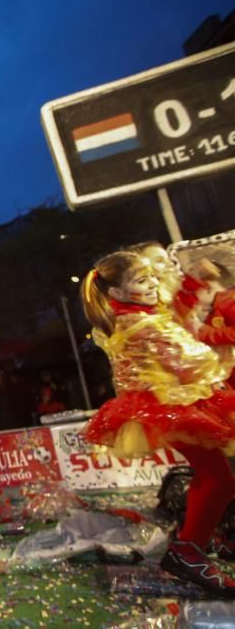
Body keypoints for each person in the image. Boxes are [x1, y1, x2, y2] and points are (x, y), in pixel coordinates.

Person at [81, 251, 235, 597]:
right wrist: (221, 350)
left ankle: (202, 539)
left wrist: (192, 285)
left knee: (217, 477)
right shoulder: (143, 325)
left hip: (174, 403)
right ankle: (189, 551)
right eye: (141, 280)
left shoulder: (134, 314)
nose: (153, 283)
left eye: (151, 275)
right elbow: (196, 359)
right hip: (172, 406)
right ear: (118, 294)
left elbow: (173, 312)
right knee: (218, 479)